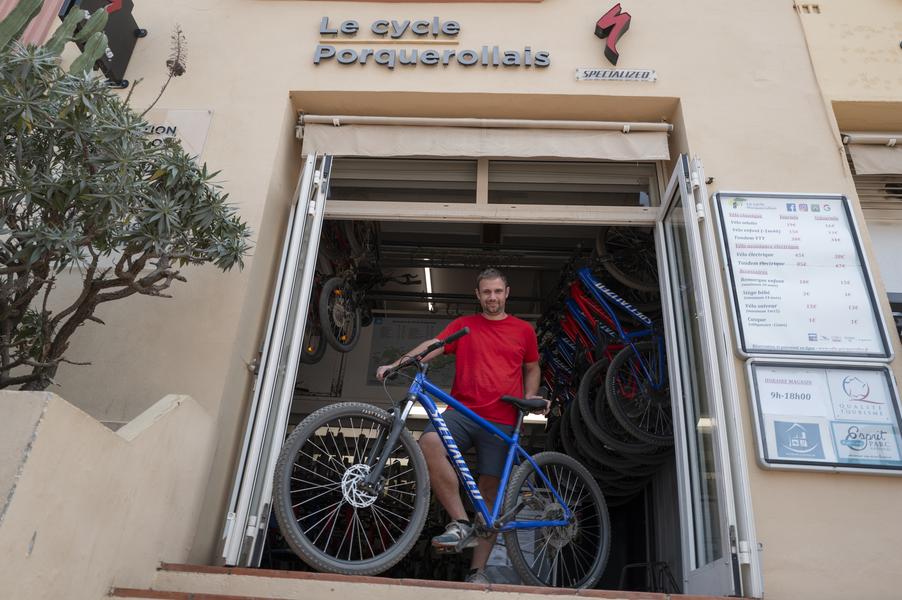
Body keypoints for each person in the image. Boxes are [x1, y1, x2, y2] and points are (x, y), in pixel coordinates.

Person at [376, 267, 548, 584]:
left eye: (497, 291)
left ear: (507, 292)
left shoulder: (523, 330)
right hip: (463, 411)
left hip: (503, 418)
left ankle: (477, 572)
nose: (492, 298)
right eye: (486, 292)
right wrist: (395, 365)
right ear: (478, 295)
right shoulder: (465, 325)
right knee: (429, 443)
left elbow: (532, 367)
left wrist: (529, 399)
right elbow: (433, 345)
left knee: (489, 497)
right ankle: (459, 523)